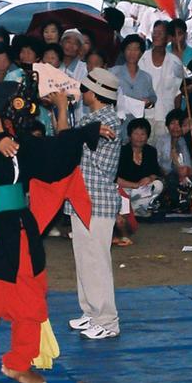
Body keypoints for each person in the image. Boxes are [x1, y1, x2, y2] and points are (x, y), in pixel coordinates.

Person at [0, 78, 112, 383]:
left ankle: (18, 363)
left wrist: (70, 116)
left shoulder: (20, 140)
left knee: (31, 299)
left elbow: (55, 159)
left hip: (20, 229)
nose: (23, 108)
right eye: (17, 101)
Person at [66, 68, 123, 340]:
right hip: (85, 198)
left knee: (96, 261)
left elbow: (71, 141)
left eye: (85, 88)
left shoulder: (105, 120)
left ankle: (107, 321)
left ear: (95, 92)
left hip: (96, 199)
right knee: (85, 259)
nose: (82, 92)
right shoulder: (95, 118)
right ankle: (91, 312)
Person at [116, 117, 162, 223]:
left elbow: (155, 172)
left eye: (143, 134)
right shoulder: (122, 151)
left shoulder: (151, 151)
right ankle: (134, 208)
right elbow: (115, 178)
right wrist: (134, 185)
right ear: (129, 135)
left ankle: (136, 208)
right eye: (136, 134)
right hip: (125, 188)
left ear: (147, 136)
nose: (139, 137)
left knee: (158, 185)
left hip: (142, 189)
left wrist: (149, 178)